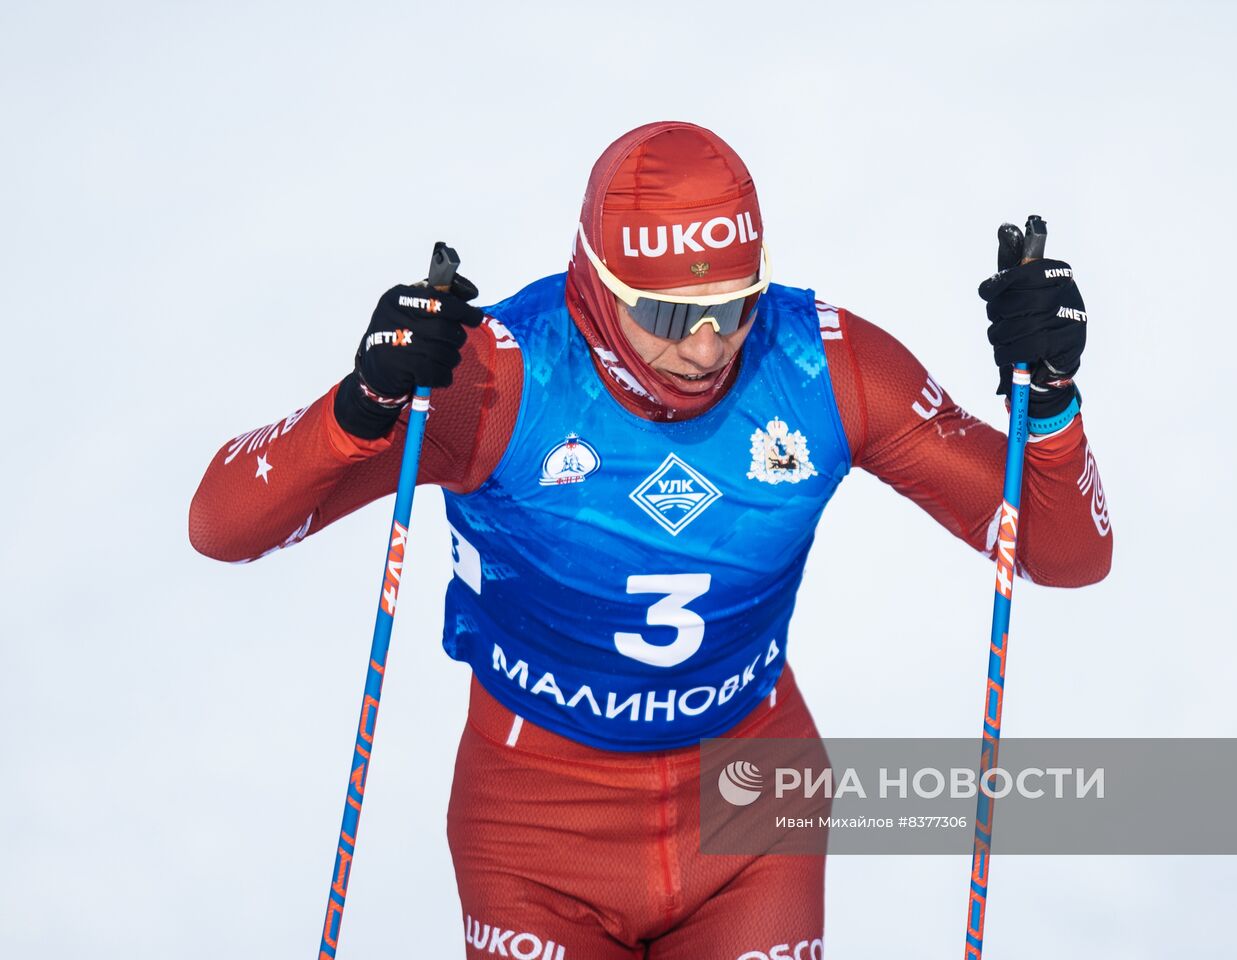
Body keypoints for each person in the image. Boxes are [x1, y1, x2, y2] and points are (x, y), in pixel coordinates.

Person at [190, 120, 1111, 959]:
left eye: (738, 306)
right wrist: (361, 405)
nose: (709, 348)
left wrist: (1055, 401)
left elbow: (1065, 554)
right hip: (539, 837)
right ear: (596, 279)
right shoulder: (493, 380)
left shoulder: (823, 363)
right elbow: (223, 525)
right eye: (670, 315)